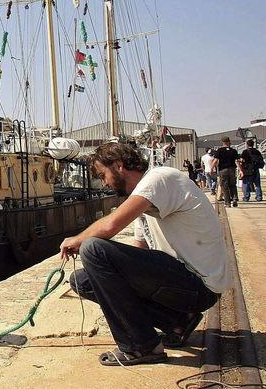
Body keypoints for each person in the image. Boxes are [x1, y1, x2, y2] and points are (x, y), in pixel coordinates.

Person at [60, 142, 231, 367]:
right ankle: (177, 321)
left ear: (119, 165)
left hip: (200, 285)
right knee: (83, 281)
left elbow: (110, 226)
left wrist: (77, 240)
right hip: (181, 286)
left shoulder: (159, 178)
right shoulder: (144, 204)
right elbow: (139, 252)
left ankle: (142, 346)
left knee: (93, 248)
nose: (104, 183)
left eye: (103, 175)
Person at [214, 137, 239, 207]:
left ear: (222, 142)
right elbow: (237, 161)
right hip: (232, 170)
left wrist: (212, 168)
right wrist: (241, 170)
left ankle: (227, 203)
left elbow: (215, 160)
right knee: (233, 185)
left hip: (223, 170)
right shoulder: (234, 151)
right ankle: (234, 198)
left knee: (225, 187)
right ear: (229, 141)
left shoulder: (219, 150)